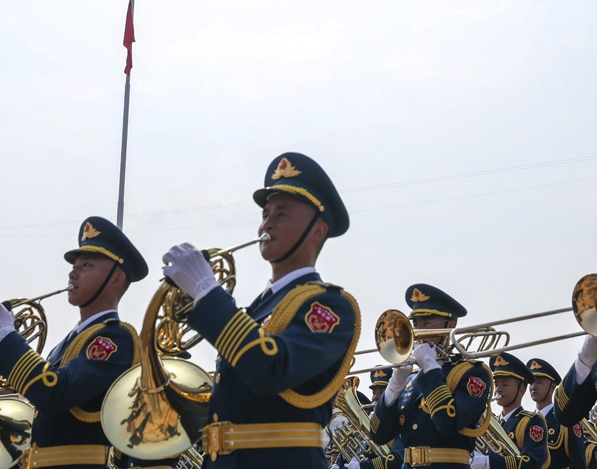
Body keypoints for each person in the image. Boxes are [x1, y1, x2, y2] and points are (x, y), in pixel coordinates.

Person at [163, 152, 361, 469]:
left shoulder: (330, 306)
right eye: (266, 214)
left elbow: (270, 370)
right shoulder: (258, 307)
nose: (267, 223)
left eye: (282, 214)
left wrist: (206, 291)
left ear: (317, 231)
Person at [0, 216, 149, 469]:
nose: (72, 273)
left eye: (86, 265)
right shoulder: (66, 344)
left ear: (116, 279)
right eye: (74, 265)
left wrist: (5, 336)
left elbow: (53, 394)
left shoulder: (116, 338)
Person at [368, 284, 491, 469]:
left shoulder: (472, 373)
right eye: (416, 325)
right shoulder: (412, 380)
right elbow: (378, 435)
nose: (418, 333)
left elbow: (447, 424)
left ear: (450, 326)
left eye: (426, 324)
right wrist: (395, 384)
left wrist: (430, 367)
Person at [472, 352, 549, 469]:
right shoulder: (491, 421)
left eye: (505, 384)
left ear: (520, 390)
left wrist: (488, 462)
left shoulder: (532, 421)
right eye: (496, 384)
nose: (498, 389)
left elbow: (532, 463)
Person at [528, 358, 586, 469]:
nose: (534, 387)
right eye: (531, 383)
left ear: (553, 386)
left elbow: (578, 462)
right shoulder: (526, 421)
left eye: (539, 382)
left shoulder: (566, 420)